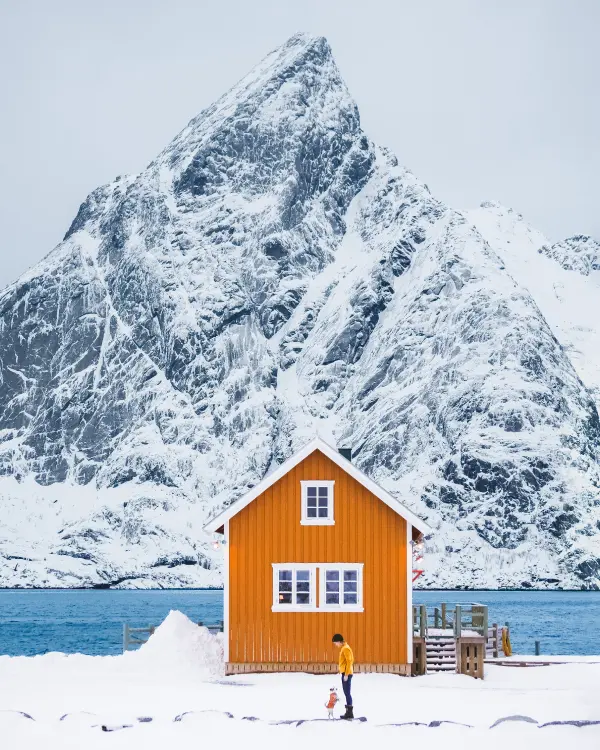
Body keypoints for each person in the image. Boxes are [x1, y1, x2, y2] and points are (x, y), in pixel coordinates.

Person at [332, 633, 354, 719]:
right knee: (346, 692)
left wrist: (346, 674)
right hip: (345, 672)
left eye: (336, 643)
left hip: (346, 673)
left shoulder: (345, 649)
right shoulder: (344, 648)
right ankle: (348, 711)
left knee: (347, 693)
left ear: (339, 641)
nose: (336, 645)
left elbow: (349, 661)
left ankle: (349, 712)